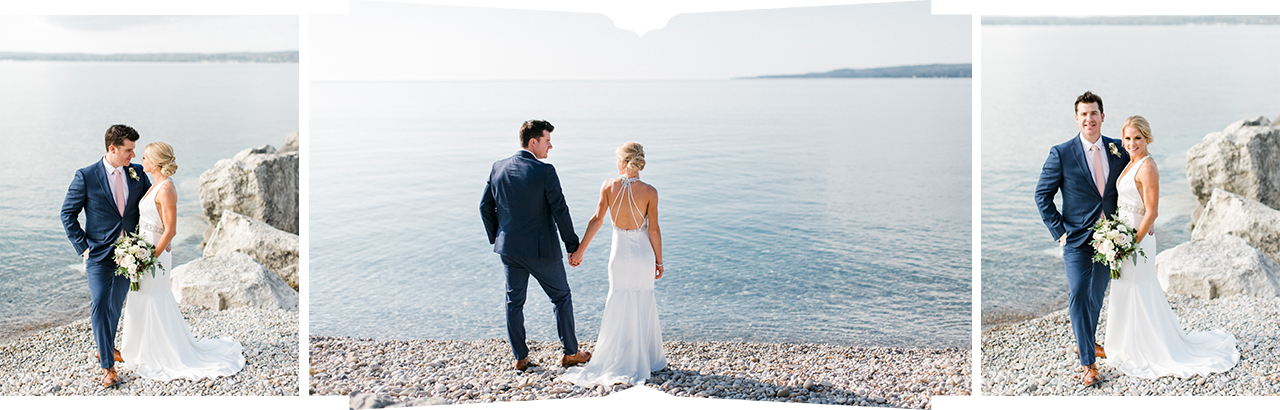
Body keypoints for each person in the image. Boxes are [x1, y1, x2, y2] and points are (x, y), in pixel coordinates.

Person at [1103, 115, 1238, 378]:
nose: (1132, 143)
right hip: (1122, 234)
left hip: (1137, 240)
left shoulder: (1147, 166)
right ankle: (1124, 346)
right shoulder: (1129, 164)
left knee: (1139, 287)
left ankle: (1150, 348)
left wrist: (1130, 245)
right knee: (1124, 288)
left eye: (1137, 138)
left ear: (1147, 138)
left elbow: (1152, 212)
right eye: (1127, 138)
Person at [119, 141, 245, 380]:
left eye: (145, 157)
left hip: (154, 256)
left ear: (155, 163)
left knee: (152, 299)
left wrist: (147, 259)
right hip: (143, 251)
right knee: (140, 299)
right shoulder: (154, 185)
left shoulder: (166, 189)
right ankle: (140, 351)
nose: (141, 161)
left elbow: (170, 231)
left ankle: (162, 353)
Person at [1034, 92, 1130, 386]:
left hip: (1110, 239)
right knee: (1077, 293)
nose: (1089, 119)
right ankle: (1088, 364)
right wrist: (1059, 232)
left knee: (1096, 295)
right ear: (1077, 119)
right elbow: (1042, 196)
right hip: (1075, 239)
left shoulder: (1118, 149)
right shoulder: (1061, 153)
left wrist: (1141, 221)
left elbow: (1130, 184)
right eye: (1083, 114)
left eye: (1094, 113)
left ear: (1103, 116)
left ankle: (1085, 342)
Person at [480, 120, 591, 370]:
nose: (550, 146)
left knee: (513, 302)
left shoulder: (498, 167)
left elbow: (485, 207)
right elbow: (560, 211)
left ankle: (520, 357)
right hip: (542, 252)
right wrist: (572, 246)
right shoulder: (545, 171)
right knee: (561, 297)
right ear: (533, 142)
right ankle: (570, 353)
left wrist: (499, 236)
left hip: (509, 249)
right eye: (547, 141)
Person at [561, 141, 667, 387]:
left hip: (618, 253)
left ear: (622, 162)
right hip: (643, 254)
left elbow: (597, 220)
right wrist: (659, 260)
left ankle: (616, 355)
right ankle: (645, 357)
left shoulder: (608, 186)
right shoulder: (650, 191)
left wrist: (579, 252)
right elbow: (653, 230)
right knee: (642, 299)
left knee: (619, 298)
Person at [61, 124, 152, 387]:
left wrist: (157, 238)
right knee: (100, 303)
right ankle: (107, 368)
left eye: (134, 150)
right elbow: (68, 214)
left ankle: (107, 347)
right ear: (112, 149)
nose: (132, 156)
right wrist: (83, 247)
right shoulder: (86, 176)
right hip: (98, 254)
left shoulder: (136, 173)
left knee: (115, 305)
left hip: (131, 255)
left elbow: (148, 205)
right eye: (128, 150)